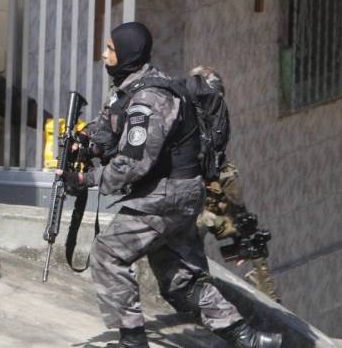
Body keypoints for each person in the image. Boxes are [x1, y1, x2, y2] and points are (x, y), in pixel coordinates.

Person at [67, 23, 281, 348]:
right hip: (176, 195)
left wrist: (87, 180)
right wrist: (85, 141)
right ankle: (252, 339)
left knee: (109, 252)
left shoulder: (148, 99)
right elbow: (111, 126)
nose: (103, 54)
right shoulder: (133, 89)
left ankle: (132, 340)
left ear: (127, 53)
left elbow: (132, 162)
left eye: (109, 48)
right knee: (180, 282)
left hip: (166, 196)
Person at [190, 66, 281, 303]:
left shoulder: (219, 156)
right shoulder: (183, 132)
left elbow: (235, 214)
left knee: (250, 234)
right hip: (179, 218)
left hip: (211, 187)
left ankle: (270, 298)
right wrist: (215, 221)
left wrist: (238, 234)